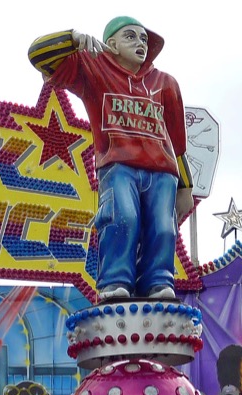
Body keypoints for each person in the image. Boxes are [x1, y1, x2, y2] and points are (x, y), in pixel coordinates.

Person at [29, 16, 194, 301]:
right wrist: (73, 39)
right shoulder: (93, 69)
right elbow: (38, 55)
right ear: (112, 44)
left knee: (163, 227)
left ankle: (157, 282)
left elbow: (177, 143)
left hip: (163, 172)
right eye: (130, 37)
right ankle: (115, 281)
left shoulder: (166, 83)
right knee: (122, 217)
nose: (140, 43)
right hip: (118, 167)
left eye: (143, 39)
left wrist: (186, 188)